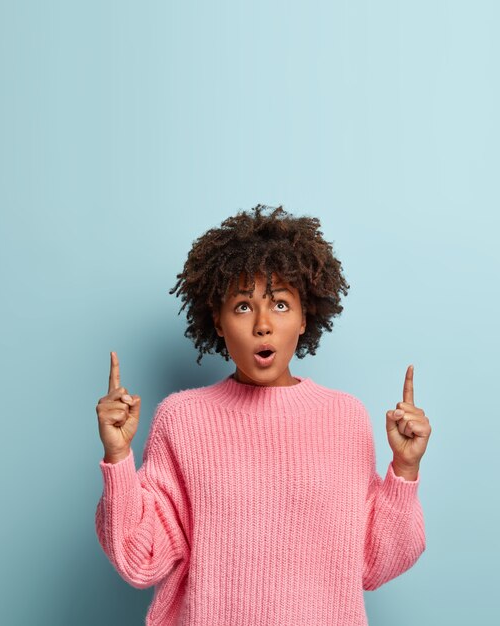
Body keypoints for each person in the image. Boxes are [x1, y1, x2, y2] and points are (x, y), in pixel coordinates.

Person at [95, 204, 432, 626]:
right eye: (241, 307)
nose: (262, 325)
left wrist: (405, 468)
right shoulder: (182, 420)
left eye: (280, 305)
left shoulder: (344, 418)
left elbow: (374, 562)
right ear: (217, 321)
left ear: (304, 316)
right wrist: (118, 459)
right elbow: (139, 558)